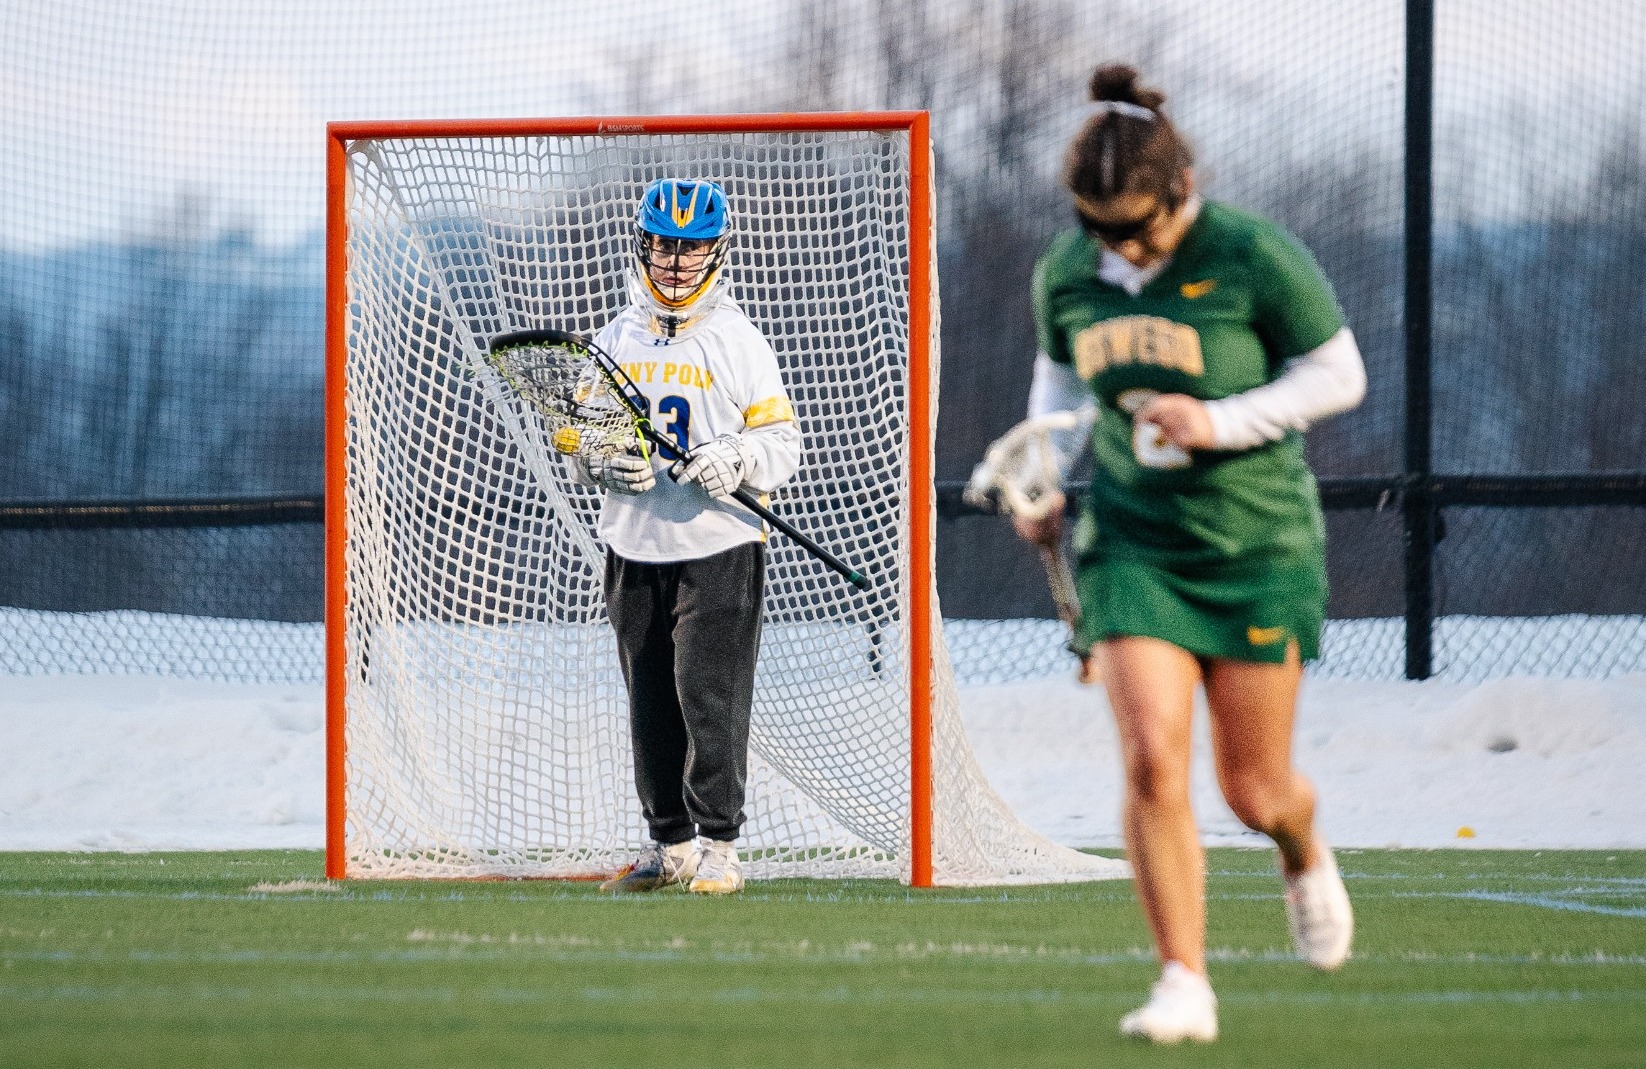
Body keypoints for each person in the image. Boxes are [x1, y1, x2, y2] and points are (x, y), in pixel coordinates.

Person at [1013, 65, 1367, 1042]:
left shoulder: (1250, 253)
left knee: (1252, 791)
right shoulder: (1068, 272)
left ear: (1180, 190)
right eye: (1099, 228)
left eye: (1136, 227)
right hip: (1133, 542)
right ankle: (1182, 979)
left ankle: (1299, 847)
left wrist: (1217, 422)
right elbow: (1059, 389)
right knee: (1148, 760)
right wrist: (1042, 475)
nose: (1118, 247)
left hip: (1254, 544)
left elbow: (1338, 374)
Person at [580, 177, 801, 896]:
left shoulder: (738, 340)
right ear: (644, 245)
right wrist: (600, 459)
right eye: (666, 245)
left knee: (709, 696)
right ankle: (668, 844)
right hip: (633, 544)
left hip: (720, 545)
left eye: (692, 247)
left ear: (717, 251)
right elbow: (581, 435)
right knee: (649, 699)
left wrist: (736, 455)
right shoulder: (615, 339)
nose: (676, 261)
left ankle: (719, 847)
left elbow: (782, 440)